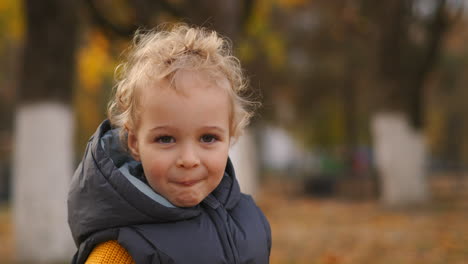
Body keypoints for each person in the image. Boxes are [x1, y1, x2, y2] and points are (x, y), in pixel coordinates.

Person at [67, 24, 271, 264]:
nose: (188, 159)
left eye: (208, 138)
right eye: (165, 139)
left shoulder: (248, 221)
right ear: (135, 143)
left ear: (231, 136)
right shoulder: (121, 250)